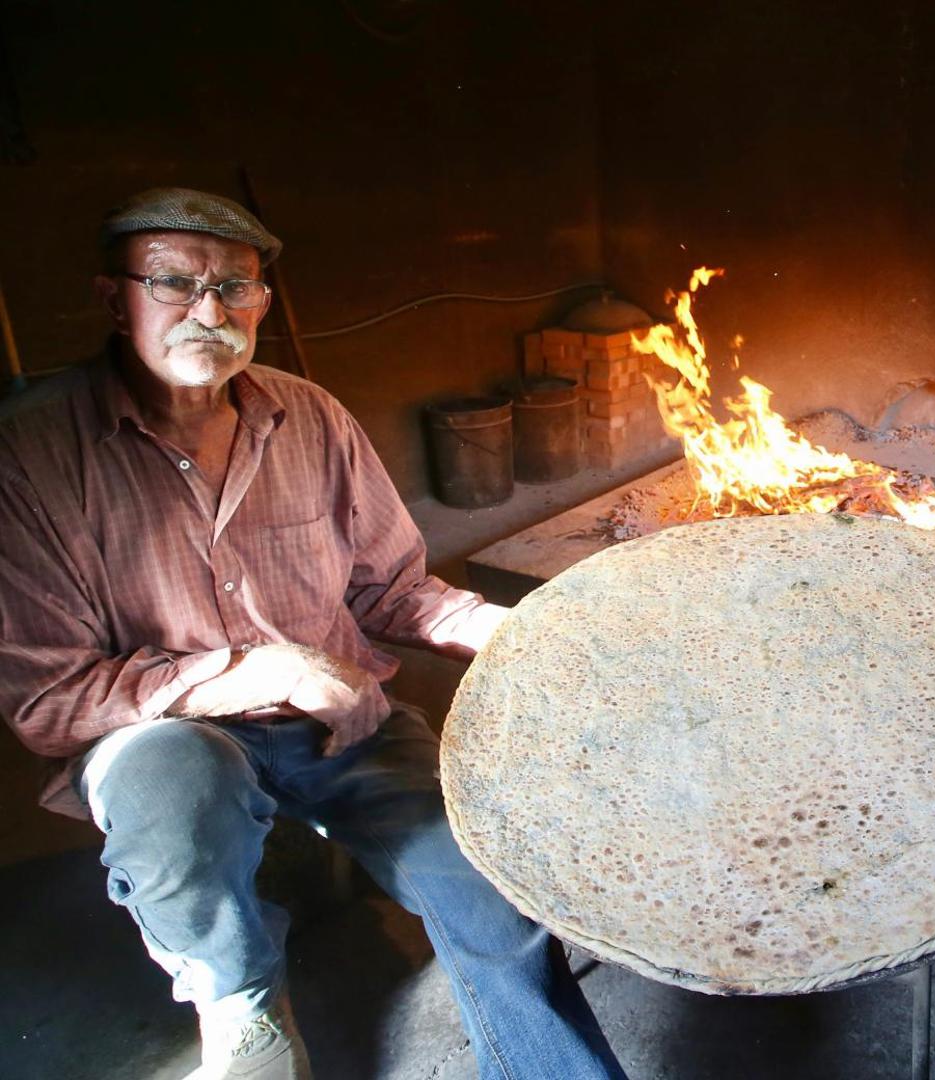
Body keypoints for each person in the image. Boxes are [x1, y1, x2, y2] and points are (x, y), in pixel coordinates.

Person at [0, 188, 627, 1080]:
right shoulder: (29, 456)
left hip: (345, 728)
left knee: (491, 889)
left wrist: (528, 632)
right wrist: (269, 669)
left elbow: (391, 590)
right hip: (168, 739)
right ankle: (239, 1003)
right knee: (174, 785)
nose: (209, 312)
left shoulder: (310, 416)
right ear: (115, 298)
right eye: (174, 283)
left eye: (238, 290)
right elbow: (52, 702)